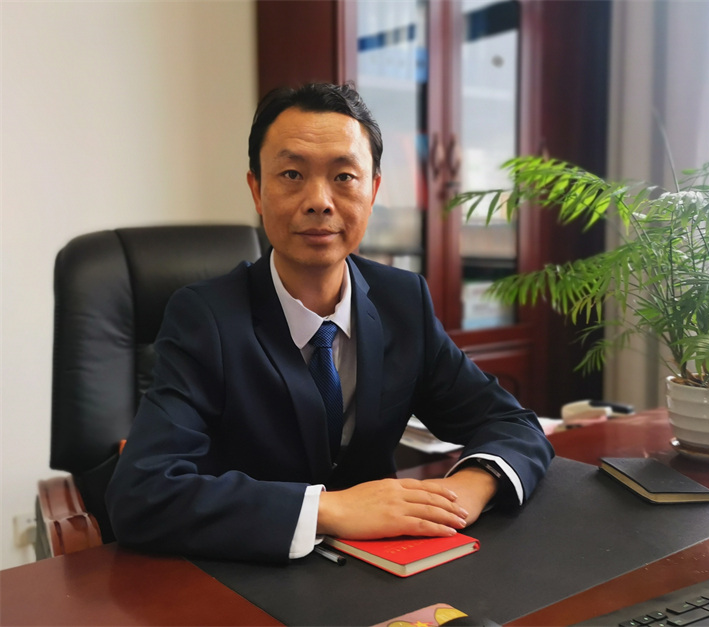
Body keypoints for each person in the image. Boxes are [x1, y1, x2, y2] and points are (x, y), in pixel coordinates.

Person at [106, 83, 554, 564]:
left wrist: (470, 487)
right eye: (292, 174)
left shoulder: (403, 301)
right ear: (257, 189)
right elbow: (141, 494)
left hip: (383, 568)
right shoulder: (205, 318)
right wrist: (330, 510)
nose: (319, 201)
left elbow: (511, 422)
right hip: (249, 572)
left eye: (344, 176)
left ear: (373, 191)